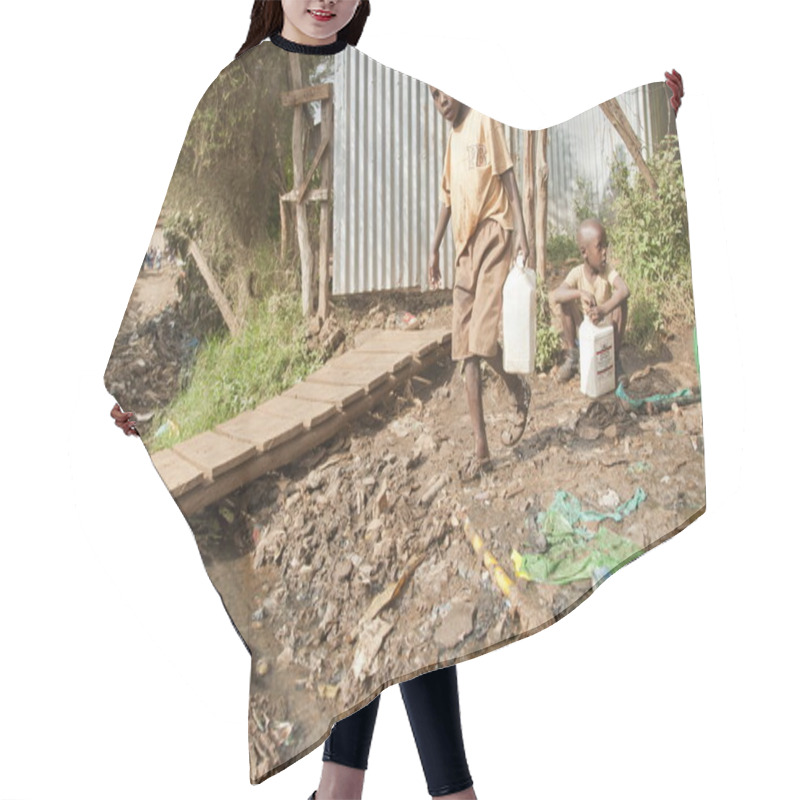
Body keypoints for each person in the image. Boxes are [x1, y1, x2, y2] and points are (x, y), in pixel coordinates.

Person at [114, 3, 478, 798]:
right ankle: (415, 790)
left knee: (404, 576)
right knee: (367, 592)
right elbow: (179, 231)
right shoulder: (235, 88)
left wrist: (661, 117)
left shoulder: (384, 80)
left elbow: (488, 146)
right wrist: (143, 393)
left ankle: (352, 789)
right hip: (294, 379)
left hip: (370, 368)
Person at [427, 87, 531, 482]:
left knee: (483, 342)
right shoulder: (452, 141)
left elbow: (508, 180)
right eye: (434, 97)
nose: (442, 103)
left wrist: (523, 234)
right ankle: (482, 451)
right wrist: (434, 248)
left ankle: (516, 387)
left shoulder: (486, 120)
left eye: (445, 93)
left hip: (494, 234)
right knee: (465, 352)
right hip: (462, 248)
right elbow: (447, 199)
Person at [550, 218, 630, 384]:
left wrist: (603, 310)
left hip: (605, 331)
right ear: (584, 252)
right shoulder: (576, 273)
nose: (604, 252)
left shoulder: (607, 271)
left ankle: (614, 360)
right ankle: (573, 357)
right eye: (599, 247)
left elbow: (624, 290)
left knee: (622, 302)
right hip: (584, 330)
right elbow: (557, 295)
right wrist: (579, 293)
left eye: (606, 246)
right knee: (566, 300)